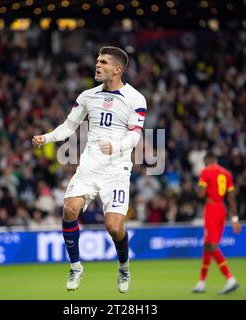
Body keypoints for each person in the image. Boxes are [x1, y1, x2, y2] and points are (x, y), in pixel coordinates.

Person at [32, 46, 147, 293]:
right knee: (70, 209)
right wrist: (48, 137)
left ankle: (124, 267)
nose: (97, 65)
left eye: (103, 62)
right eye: (97, 61)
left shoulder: (136, 99)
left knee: (114, 227)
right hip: (89, 166)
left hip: (117, 170)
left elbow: (135, 137)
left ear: (117, 70)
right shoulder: (87, 96)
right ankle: (76, 267)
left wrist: (116, 146)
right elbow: (68, 126)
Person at [192, 152, 242, 294]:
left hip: (211, 210)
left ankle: (230, 279)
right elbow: (231, 197)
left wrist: (198, 188)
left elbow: (201, 194)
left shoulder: (205, 172)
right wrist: (235, 219)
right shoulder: (227, 173)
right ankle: (201, 283)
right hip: (222, 209)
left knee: (213, 246)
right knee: (208, 246)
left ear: (207, 160)